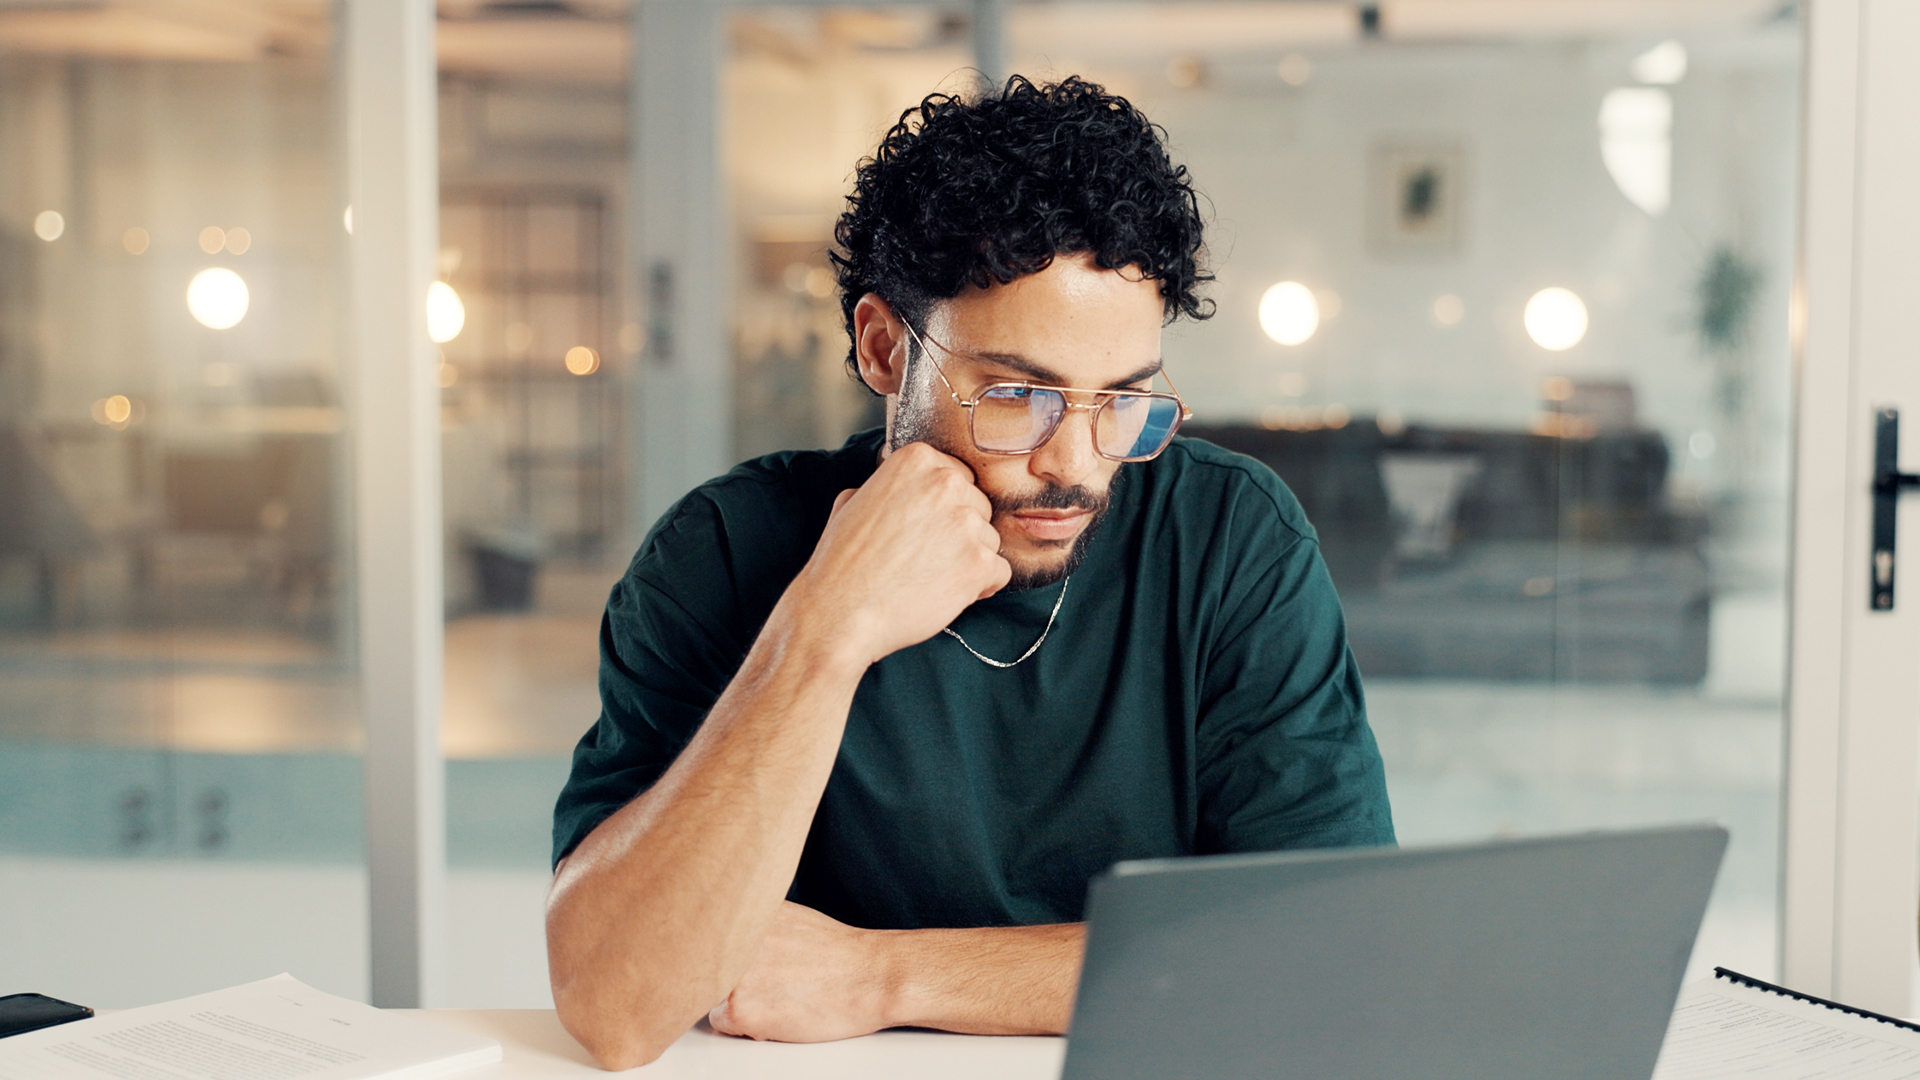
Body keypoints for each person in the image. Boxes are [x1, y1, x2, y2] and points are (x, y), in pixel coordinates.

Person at [544, 75, 1394, 1070]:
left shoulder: (1228, 537)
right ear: (882, 347)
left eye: (1122, 402)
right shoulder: (722, 552)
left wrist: (883, 976)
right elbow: (613, 1002)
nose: (1074, 464)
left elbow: (1329, 952)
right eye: (1018, 397)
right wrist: (822, 633)